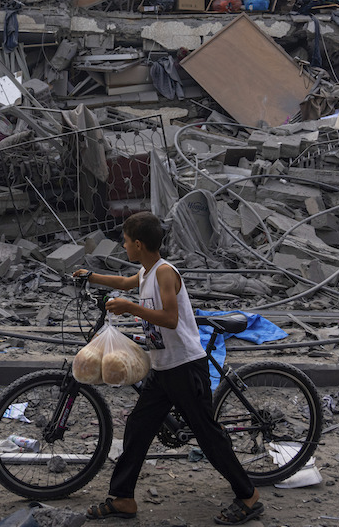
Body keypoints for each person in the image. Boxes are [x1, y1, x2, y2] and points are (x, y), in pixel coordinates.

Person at [72, 212, 263, 525]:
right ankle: (123, 499)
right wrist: (90, 276)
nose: (123, 245)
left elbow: (170, 318)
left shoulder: (164, 273)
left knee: (207, 435)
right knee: (138, 427)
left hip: (185, 367)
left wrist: (130, 307)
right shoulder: (146, 272)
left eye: (125, 241)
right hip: (163, 369)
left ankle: (249, 497)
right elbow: (123, 282)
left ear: (138, 243)